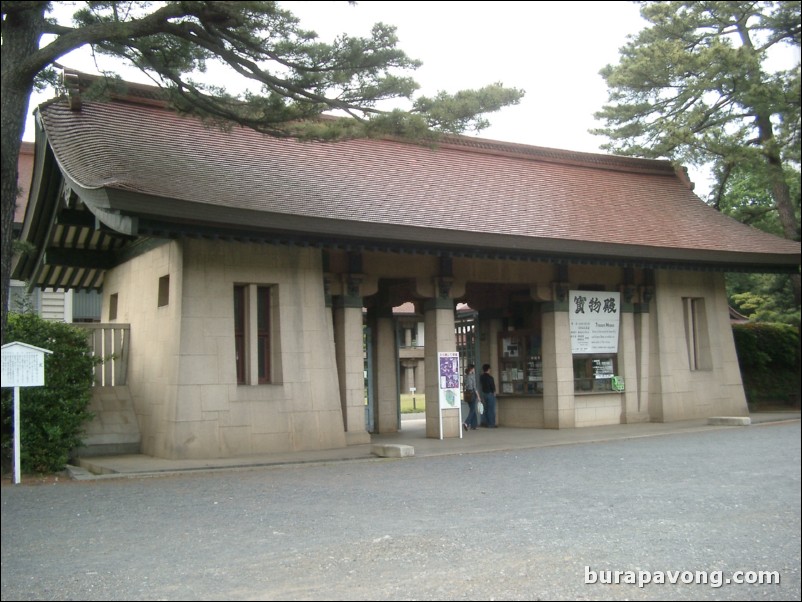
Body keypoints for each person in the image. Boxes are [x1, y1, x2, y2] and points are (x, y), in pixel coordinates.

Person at [479, 363, 497, 428]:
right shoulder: (490, 377)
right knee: (491, 409)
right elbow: (492, 386)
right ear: (488, 369)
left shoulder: (481, 377)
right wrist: (494, 392)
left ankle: (486, 422)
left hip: (484, 394)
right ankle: (491, 424)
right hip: (490, 394)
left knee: (486, 409)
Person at [462, 364, 479, 431]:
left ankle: (474, 425)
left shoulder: (465, 377)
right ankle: (466, 422)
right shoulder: (472, 376)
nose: (474, 370)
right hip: (472, 394)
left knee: (473, 409)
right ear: (471, 369)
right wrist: (478, 396)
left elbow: (464, 385)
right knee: (472, 410)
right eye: (474, 369)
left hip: (467, 394)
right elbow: (474, 387)